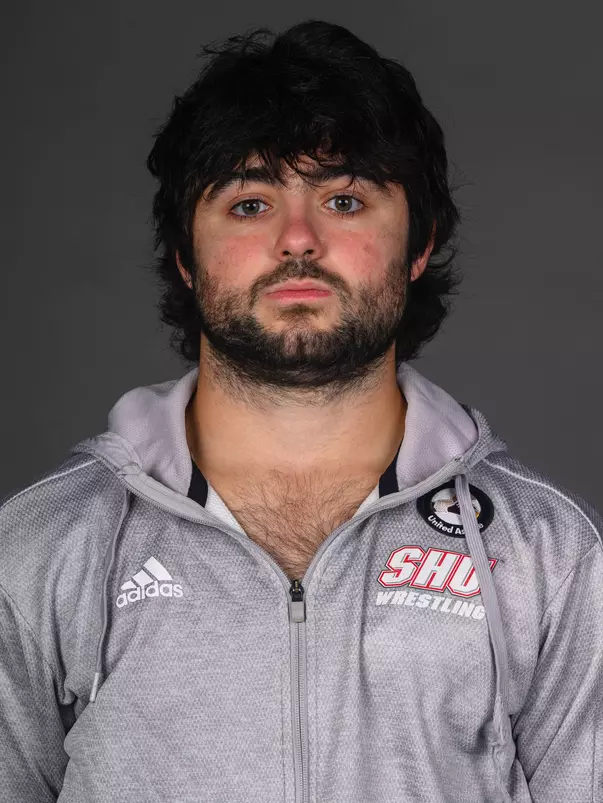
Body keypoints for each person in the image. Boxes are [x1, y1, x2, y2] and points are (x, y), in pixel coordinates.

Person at [0, 19, 601, 803]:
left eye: (344, 199)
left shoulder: (547, 553)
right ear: (186, 254)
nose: (296, 240)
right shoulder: (41, 546)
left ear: (417, 245)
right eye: (248, 204)